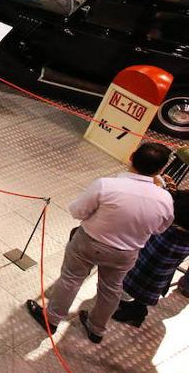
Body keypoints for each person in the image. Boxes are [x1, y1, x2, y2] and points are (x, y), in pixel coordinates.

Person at [26, 142, 174, 344]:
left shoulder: (106, 185)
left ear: (131, 156)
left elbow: (77, 211)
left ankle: (51, 319)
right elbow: (160, 228)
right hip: (125, 253)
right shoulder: (165, 199)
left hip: (89, 243)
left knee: (71, 279)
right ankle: (96, 329)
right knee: (111, 289)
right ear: (161, 169)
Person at [113, 186, 189, 328]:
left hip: (153, 267)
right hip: (161, 270)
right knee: (146, 288)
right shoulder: (182, 237)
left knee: (144, 286)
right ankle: (136, 306)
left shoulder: (172, 235)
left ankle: (137, 313)